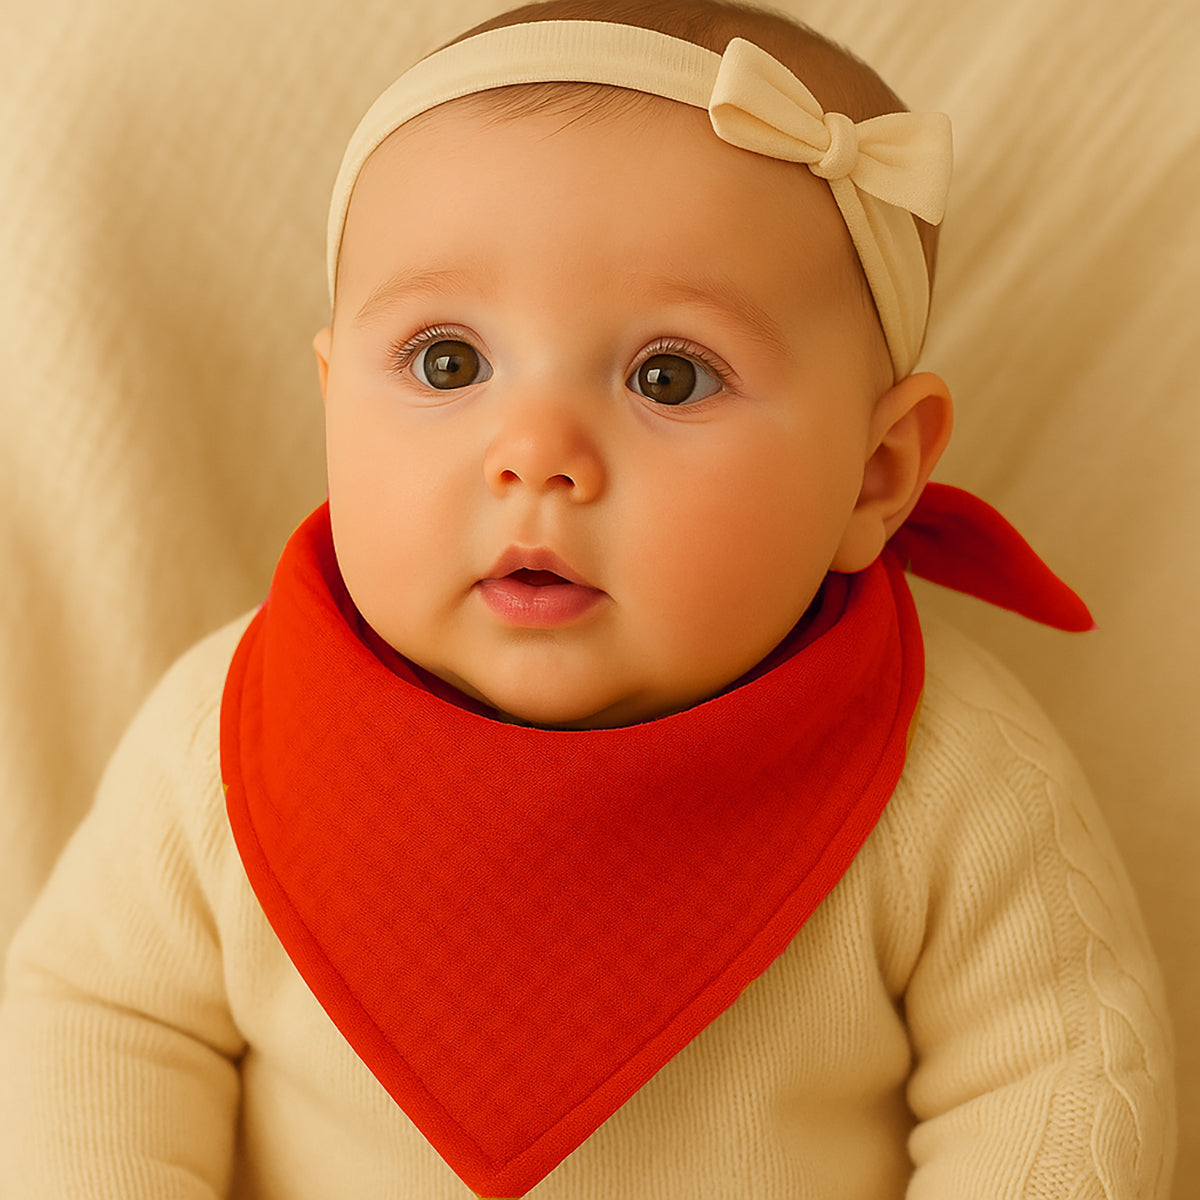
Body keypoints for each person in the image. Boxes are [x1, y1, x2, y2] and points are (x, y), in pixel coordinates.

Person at [0, 0, 1175, 1196]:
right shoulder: (232, 735)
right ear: (332, 399)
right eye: (448, 362)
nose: (536, 454)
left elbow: (1060, 1075)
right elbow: (102, 1018)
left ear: (874, 476)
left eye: (669, 377)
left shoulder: (945, 774)